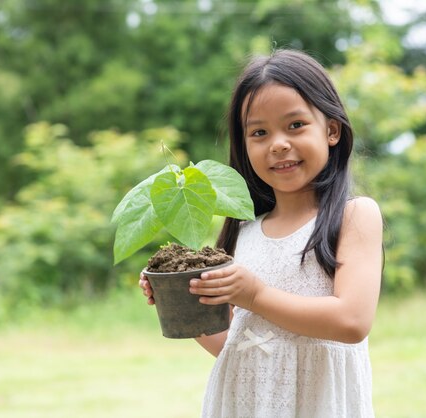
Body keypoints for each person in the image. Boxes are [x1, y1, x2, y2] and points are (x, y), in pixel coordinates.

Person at [139, 49, 383, 417]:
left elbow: (351, 321)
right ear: (244, 143)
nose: (278, 143)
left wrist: (254, 293)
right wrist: (184, 302)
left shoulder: (353, 216)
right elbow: (237, 343)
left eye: (295, 125)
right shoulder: (244, 229)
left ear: (331, 130)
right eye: (259, 132)